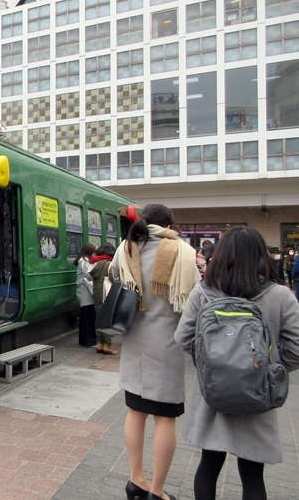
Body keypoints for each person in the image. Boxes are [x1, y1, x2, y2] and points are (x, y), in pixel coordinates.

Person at [175, 227, 299, 500]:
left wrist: (212, 367)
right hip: (257, 399)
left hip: (212, 396)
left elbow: (183, 338)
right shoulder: (280, 296)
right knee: (253, 475)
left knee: (208, 465)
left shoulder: (204, 292)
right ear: (260, 256)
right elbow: (296, 349)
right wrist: (268, 372)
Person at [110, 204, 199, 500]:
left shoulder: (125, 248)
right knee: (165, 418)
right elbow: (195, 296)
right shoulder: (183, 252)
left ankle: (136, 480)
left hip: (134, 340)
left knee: (135, 411)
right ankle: (157, 491)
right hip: (168, 343)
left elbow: (114, 277)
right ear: (171, 224)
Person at [89, 242, 119, 355]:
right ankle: (108, 345)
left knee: (99, 318)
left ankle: (99, 343)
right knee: (107, 320)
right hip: (106, 294)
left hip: (96, 293)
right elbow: (113, 278)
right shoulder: (108, 264)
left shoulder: (94, 263)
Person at [75, 243, 97, 348]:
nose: (94, 254)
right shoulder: (84, 262)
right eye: (93, 252)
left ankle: (85, 339)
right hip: (85, 293)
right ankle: (88, 340)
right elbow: (88, 275)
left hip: (85, 292)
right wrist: (96, 271)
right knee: (87, 317)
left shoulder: (83, 261)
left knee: (86, 317)